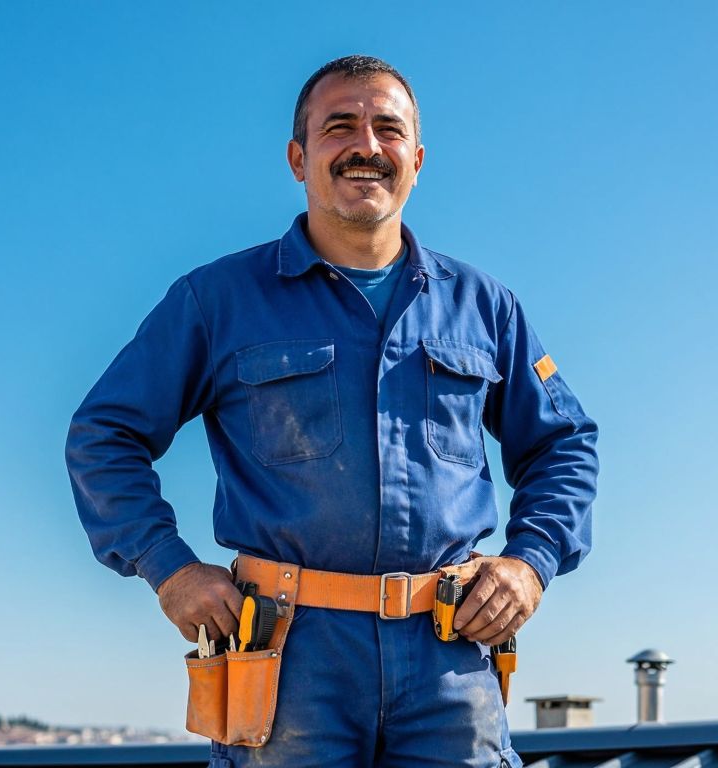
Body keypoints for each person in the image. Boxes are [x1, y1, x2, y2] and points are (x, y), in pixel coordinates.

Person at [65, 55, 598, 768]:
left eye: (388, 129)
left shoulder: (485, 308)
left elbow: (565, 444)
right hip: (288, 663)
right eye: (340, 126)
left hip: (451, 661)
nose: (366, 146)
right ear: (298, 157)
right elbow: (105, 433)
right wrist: (171, 568)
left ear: (416, 158)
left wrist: (530, 564)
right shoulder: (217, 300)